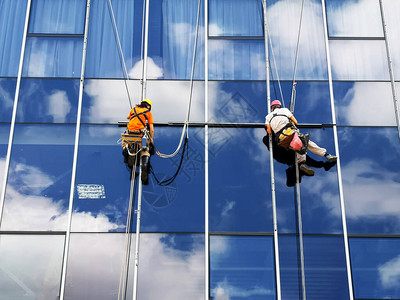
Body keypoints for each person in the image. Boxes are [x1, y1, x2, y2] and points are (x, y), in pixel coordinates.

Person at [265, 100, 337, 176]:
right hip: (290, 133)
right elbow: (295, 122)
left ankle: (308, 162)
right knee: (304, 142)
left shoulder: (267, 117)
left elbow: (269, 131)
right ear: (279, 106)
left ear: (272, 108)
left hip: (282, 139)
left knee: (302, 144)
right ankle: (323, 156)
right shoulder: (284, 110)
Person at [262, 131, 336, 186]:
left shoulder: (273, 143)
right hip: (289, 156)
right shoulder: (272, 142)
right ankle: (323, 164)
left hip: (289, 155)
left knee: (309, 159)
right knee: (308, 159)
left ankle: (324, 164)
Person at [122, 99, 154, 185]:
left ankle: (127, 150)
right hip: (140, 133)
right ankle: (144, 163)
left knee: (125, 142)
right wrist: (151, 141)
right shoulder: (148, 112)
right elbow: (151, 129)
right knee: (145, 149)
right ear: (148, 106)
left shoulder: (133, 109)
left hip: (130, 133)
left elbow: (128, 118)